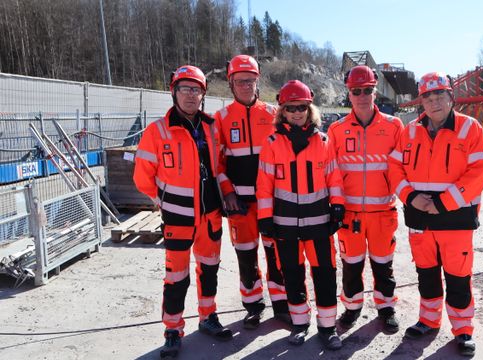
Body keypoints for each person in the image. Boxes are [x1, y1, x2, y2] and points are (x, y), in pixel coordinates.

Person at [388, 72, 483, 356]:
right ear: (421, 101)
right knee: (427, 274)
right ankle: (429, 320)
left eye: (439, 95)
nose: (434, 102)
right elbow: (394, 168)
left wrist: (443, 203)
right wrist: (409, 197)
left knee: (458, 276)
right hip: (420, 219)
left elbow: (478, 173)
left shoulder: (470, 129)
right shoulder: (410, 132)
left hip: (455, 219)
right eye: (427, 97)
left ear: (450, 97)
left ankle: (463, 330)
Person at [133, 65, 232, 359]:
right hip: (177, 218)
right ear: (173, 91)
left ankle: (208, 317)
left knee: (209, 269)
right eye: (185, 88)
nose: (191, 95)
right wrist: (163, 200)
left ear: (203, 94)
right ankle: (173, 330)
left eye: (196, 89)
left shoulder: (212, 127)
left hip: (210, 215)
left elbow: (220, 167)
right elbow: (142, 177)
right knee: (176, 277)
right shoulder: (158, 131)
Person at [256, 80, 345, 350]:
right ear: (282, 111)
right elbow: (264, 185)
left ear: (310, 109)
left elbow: (334, 177)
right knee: (292, 275)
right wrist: (265, 218)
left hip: (319, 223)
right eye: (291, 108)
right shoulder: (271, 143)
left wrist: (338, 205)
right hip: (284, 224)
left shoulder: (324, 141)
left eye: (302, 107)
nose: (297, 112)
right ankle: (299, 324)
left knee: (325, 273)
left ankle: (328, 327)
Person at [326, 65, 404, 333]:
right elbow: (332, 171)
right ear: (349, 93)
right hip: (350, 215)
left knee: (383, 265)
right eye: (356, 91)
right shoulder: (337, 130)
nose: (362, 96)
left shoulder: (394, 126)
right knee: (351, 266)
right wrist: (335, 205)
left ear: (375, 92)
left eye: (367, 90)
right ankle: (352, 307)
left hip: (383, 212)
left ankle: (386, 307)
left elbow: (403, 167)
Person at [214, 54, 288, 329]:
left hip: (271, 201)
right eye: (240, 81)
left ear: (258, 81)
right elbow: (217, 162)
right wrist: (227, 192)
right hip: (239, 204)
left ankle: (281, 304)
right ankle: (253, 306)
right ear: (231, 83)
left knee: (275, 253)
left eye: (250, 80)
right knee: (246, 255)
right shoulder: (220, 119)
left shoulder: (272, 115)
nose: (246, 85)